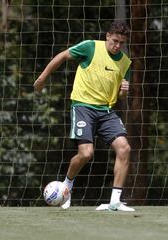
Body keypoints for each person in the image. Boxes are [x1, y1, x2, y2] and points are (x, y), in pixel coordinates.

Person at [34, 21, 135, 212]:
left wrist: (124, 91)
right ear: (107, 36)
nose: (118, 46)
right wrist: (42, 78)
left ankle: (114, 202)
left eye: (122, 43)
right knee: (86, 153)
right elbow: (63, 56)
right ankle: (67, 187)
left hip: (106, 111)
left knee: (124, 149)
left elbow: (122, 95)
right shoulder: (90, 47)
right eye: (115, 41)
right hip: (83, 107)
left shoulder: (125, 62)